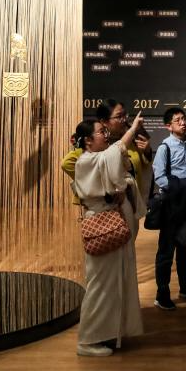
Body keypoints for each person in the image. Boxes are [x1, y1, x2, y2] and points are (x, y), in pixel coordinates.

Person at [71, 112, 146, 356]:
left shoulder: (97, 158)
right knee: (100, 284)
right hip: (102, 223)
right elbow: (115, 153)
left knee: (114, 281)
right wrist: (132, 129)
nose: (105, 135)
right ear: (87, 140)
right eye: (101, 132)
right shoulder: (85, 161)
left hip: (112, 220)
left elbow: (114, 162)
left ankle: (109, 332)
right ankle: (87, 341)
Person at [152, 107, 186, 310]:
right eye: (178, 120)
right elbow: (159, 177)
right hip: (172, 206)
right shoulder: (164, 148)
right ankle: (162, 294)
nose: (183, 123)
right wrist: (181, 189)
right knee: (166, 252)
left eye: (184, 119)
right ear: (168, 126)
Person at [62, 99, 152, 215]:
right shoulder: (93, 144)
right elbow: (67, 163)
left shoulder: (132, 139)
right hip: (104, 208)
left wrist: (147, 151)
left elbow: (140, 164)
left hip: (130, 201)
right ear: (104, 122)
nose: (124, 120)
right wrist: (97, 181)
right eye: (119, 116)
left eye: (125, 115)